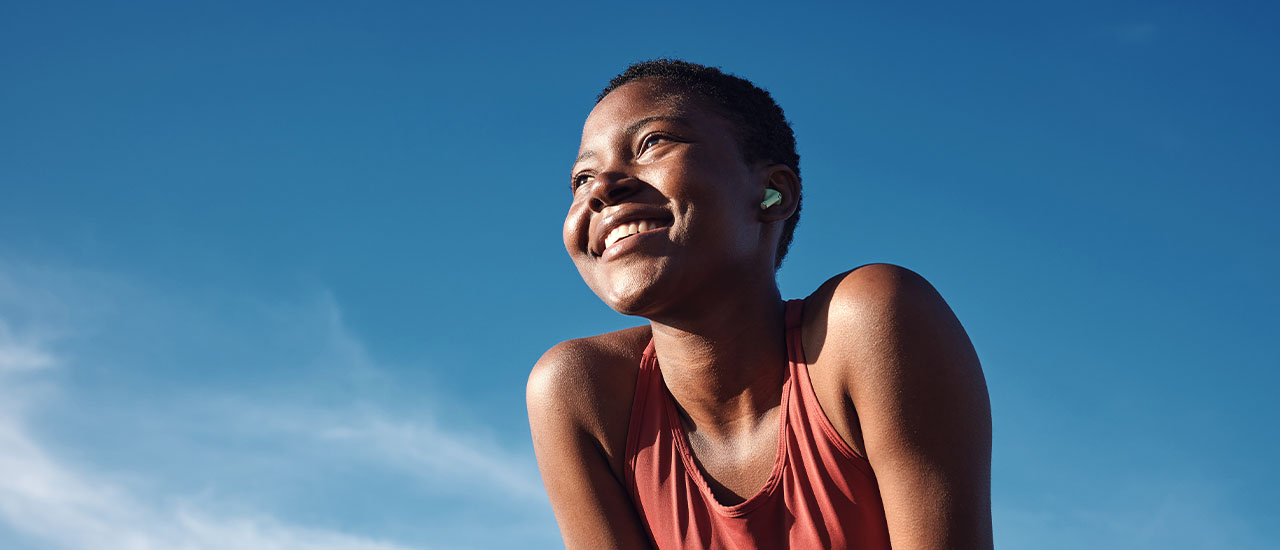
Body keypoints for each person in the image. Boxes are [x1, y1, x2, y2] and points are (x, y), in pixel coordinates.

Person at [527, 59, 992, 550]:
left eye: (652, 143)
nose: (601, 188)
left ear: (773, 195)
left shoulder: (867, 324)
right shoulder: (581, 394)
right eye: (582, 179)